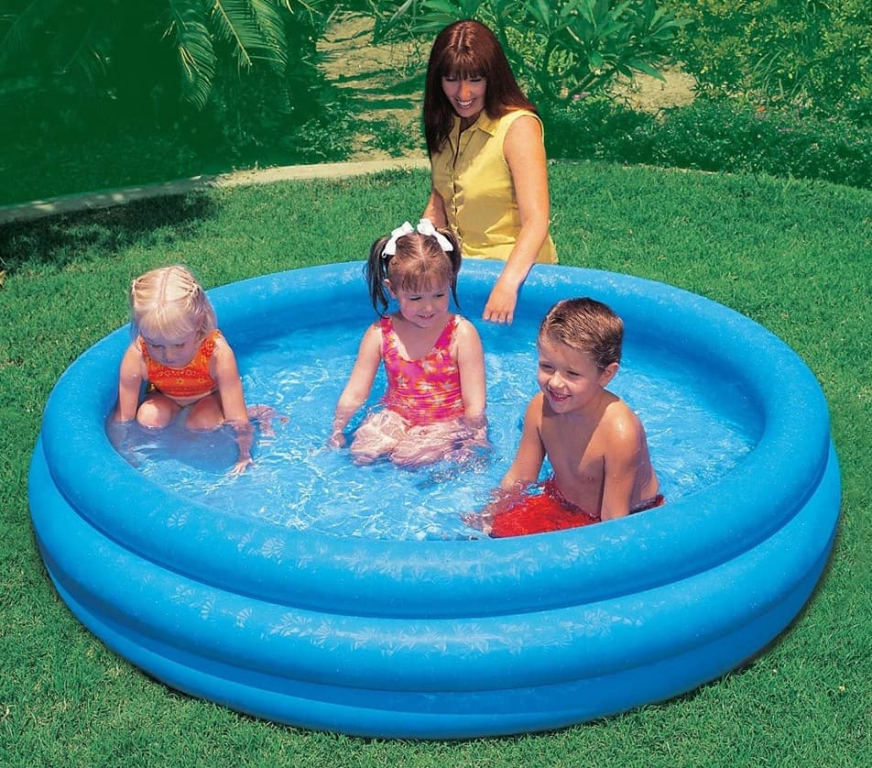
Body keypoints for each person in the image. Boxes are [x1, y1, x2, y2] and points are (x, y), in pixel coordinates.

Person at [466, 298, 662, 537]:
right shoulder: (540, 408)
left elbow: (614, 523)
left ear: (606, 375)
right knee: (488, 535)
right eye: (547, 367)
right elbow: (520, 477)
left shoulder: (619, 432)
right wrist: (488, 514)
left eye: (572, 374)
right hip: (562, 502)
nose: (556, 383)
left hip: (631, 517)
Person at [422, 19, 557, 326]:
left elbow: (536, 221)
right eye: (451, 79)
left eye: (475, 79)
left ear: (493, 77)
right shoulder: (445, 122)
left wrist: (507, 286)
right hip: (463, 272)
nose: (463, 92)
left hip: (518, 277)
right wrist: (416, 254)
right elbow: (439, 201)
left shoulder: (518, 127)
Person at [329, 218, 488, 467]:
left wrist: (476, 438)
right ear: (392, 290)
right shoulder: (380, 333)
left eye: (439, 295)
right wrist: (338, 429)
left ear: (450, 282)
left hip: (447, 421)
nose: (428, 307)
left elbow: (475, 403)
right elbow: (356, 392)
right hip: (398, 415)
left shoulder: (461, 334)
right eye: (415, 298)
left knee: (409, 457)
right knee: (362, 452)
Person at [114, 265, 258, 475]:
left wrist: (244, 454)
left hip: (208, 397)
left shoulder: (216, 353)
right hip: (165, 397)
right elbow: (123, 418)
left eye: (179, 345)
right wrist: (124, 454)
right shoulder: (138, 355)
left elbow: (237, 417)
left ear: (198, 323)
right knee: (148, 418)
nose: (168, 355)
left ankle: (257, 411)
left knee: (202, 423)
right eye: (156, 345)